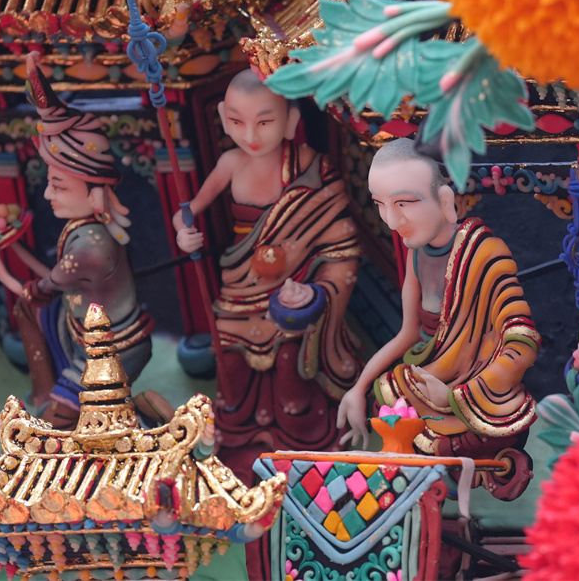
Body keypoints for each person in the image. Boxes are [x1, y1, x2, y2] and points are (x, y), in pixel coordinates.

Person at [172, 68, 362, 480]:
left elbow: (339, 242)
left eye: (264, 121)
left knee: (291, 358)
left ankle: (299, 432)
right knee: (231, 360)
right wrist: (184, 231)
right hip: (239, 282)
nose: (250, 135)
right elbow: (189, 210)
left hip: (292, 285)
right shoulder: (229, 162)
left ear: (292, 121)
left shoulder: (312, 169)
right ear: (223, 117)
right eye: (237, 122)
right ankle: (241, 430)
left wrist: (313, 292)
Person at [336, 139, 540, 490]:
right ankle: (431, 461)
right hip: (432, 379)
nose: (391, 220)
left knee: (447, 438)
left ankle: (451, 458)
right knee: (388, 388)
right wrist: (358, 388)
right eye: (380, 205)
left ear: (445, 202)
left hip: (478, 391)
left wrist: (459, 396)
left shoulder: (484, 252)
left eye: (404, 203)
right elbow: (408, 334)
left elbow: (521, 342)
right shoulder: (416, 258)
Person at [0, 52, 153, 428]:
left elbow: (36, 290)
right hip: (83, 334)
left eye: (57, 185)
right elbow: (54, 281)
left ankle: (145, 419)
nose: (47, 195)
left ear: (94, 193)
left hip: (114, 352)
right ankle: (50, 396)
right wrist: (15, 248)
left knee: (57, 427)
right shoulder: (83, 227)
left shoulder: (92, 247)